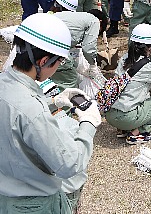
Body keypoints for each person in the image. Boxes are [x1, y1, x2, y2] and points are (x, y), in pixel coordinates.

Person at [0, 13, 101, 213]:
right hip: (34, 205)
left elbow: (15, 116)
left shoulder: (5, 85)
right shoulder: (31, 110)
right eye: (58, 63)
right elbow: (69, 164)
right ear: (44, 61)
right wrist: (88, 123)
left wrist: (54, 102)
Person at [49, 0, 105, 92]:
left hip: (39, 59)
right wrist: (92, 65)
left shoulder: (52, 17)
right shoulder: (93, 20)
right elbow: (88, 48)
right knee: (67, 92)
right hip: (57, 61)